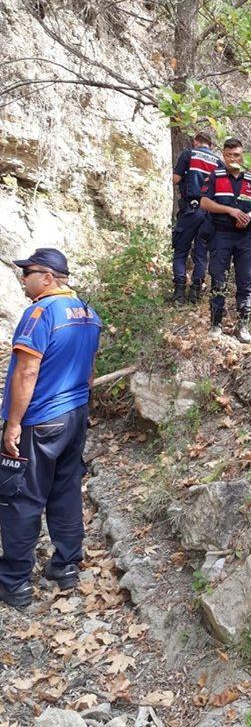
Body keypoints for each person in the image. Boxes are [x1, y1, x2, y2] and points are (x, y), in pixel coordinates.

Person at [0, 249, 101, 607]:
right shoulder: (89, 313)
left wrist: (13, 424)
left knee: (21, 498)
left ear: (46, 277)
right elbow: (89, 371)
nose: (22, 278)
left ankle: (14, 582)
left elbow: (27, 372)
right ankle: (66, 566)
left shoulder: (39, 313)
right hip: (74, 417)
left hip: (41, 418)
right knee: (66, 489)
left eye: (27, 272)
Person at [200, 138, 251, 343]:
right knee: (218, 278)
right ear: (223, 155)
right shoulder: (215, 176)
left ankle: (243, 326)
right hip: (220, 234)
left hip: (244, 236)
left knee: (245, 280)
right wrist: (230, 210)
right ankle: (215, 324)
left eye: (236, 155)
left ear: (242, 155)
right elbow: (204, 202)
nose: (232, 159)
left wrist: (250, 215)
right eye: (229, 155)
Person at [172, 132, 222, 304]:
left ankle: (179, 292)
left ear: (196, 141)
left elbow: (176, 179)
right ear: (211, 144)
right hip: (209, 213)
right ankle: (195, 291)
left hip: (190, 210)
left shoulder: (189, 154)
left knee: (180, 251)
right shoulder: (218, 162)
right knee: (201, 255)